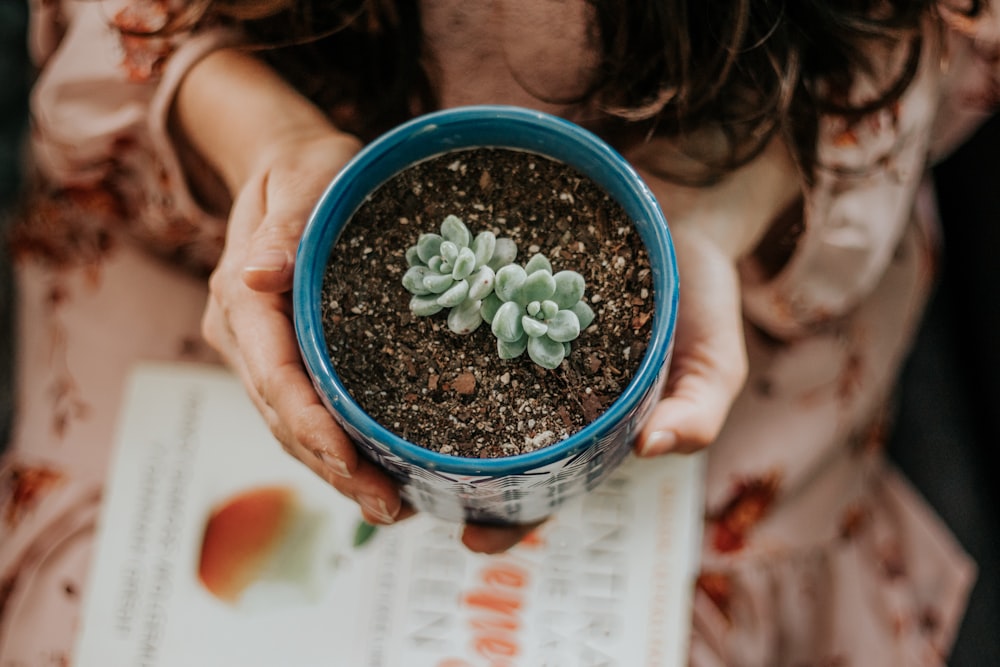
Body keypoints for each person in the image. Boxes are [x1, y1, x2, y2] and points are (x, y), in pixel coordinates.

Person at [0, 0, 995, 664]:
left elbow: (919, 30)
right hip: (208, 208)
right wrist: (265, 140)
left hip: (747, 194)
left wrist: (714, 209)